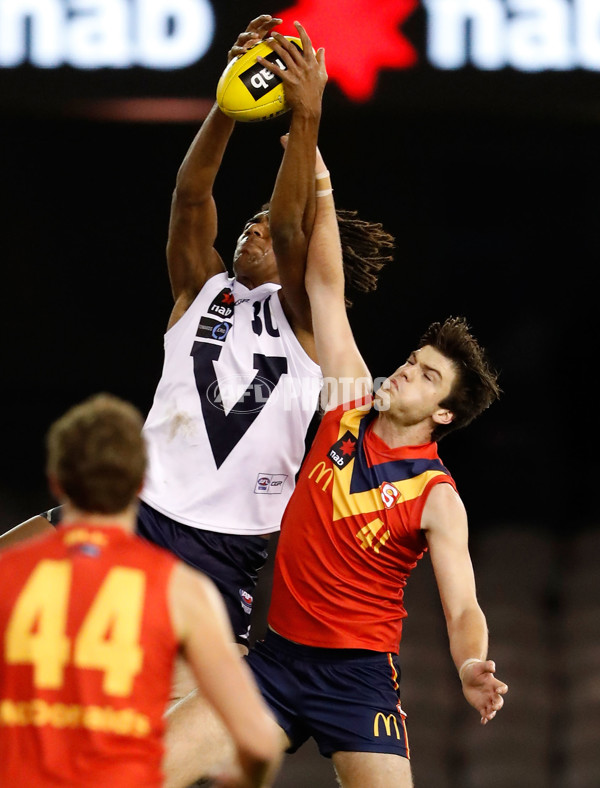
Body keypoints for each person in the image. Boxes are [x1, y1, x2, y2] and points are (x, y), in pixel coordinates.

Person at [0, 16, 394, 667]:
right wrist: (226, 105)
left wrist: (305, 119)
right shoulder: (200, 289)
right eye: (247, 224)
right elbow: (191, 196)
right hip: (132, 506)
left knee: (187, 730)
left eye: (263, 230)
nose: (252, 233)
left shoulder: (308, 321)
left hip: (223, 541)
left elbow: (297, 231)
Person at [161, 149, 509, 788]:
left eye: (427, 376)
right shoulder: (346, 402)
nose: (405, 370)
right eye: (412, 358)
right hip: (274, 662)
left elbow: (464, 608)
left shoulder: (436, 497)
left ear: (444, 416)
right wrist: (308, 149)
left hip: (357, 679)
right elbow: (325, 282)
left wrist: (471, 664)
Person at [0, 393, 282, 788]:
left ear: (55, 480)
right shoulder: (181, 592)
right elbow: (259, 743)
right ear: (141, 483)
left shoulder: (11, 571)